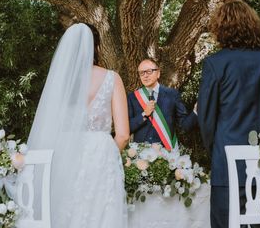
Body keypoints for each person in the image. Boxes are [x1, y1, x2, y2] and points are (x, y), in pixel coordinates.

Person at [27, 23, 129, 227]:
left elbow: (51, 126)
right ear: (97, 47)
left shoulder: (61, 83)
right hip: (102, 156)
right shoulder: (112, 78)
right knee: (103, 214)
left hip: (66, 154)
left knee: (68, 211)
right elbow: (123, 135)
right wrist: (105, 155)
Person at [198, 0, 260, 228]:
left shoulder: (215, 64)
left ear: (221, 29)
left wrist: (215, 151)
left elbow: (206, 120)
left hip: (228, 166)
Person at [127, 58, 198, 151]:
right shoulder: (132, 97)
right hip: (141, 154)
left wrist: (196, 111)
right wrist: (144, 114)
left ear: (158, 73)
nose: (145, 76)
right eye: (142, 73)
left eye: (149, 71)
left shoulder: (172, 94)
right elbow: (127, 128)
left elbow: (184, 126)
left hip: (167, 152)